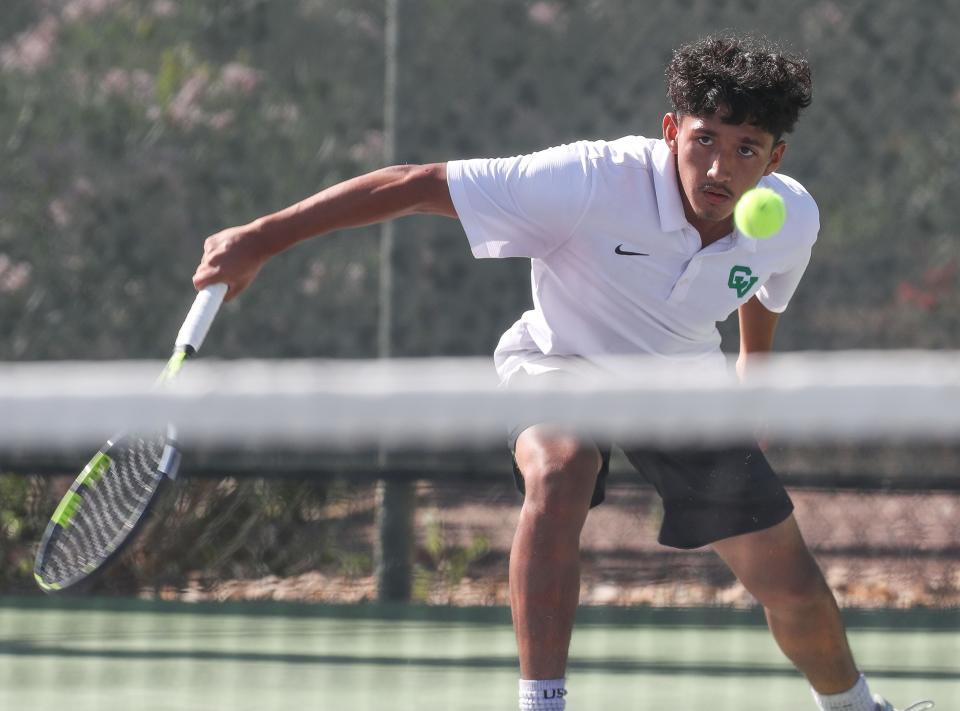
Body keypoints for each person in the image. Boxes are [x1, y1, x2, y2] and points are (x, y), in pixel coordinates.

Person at [192, 34, 932, 711]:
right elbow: (415, 182)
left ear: (774, 161)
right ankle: (541, 703)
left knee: (793, 582)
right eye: (703, 140)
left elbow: (763, 290)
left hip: (680, 384)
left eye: (745, 149)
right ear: (671, 130)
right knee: (562, 469)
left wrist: (753, 379)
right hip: (557, 362)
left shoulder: (791, 217)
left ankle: (856, 709)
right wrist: (260, 237)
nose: (718, 168)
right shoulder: (584, 181)